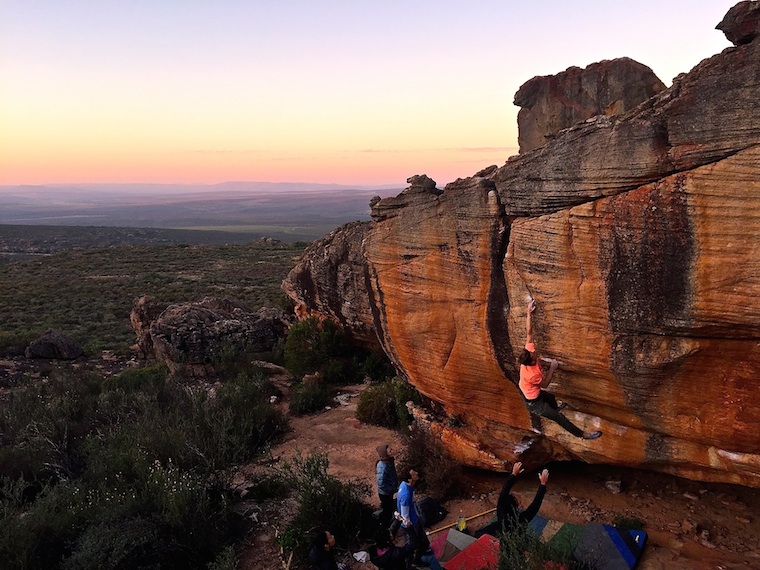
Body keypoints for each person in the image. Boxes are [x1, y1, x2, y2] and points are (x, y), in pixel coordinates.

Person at [518, 299, 602, 440]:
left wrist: (528, 313)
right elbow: (544, 384)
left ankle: (555, 407)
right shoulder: (532, 375)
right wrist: (552, 368)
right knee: (558, 417)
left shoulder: (528, 352)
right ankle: (582, 435)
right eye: (533, 355)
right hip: (534, 403)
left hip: (530, 391)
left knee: (550, 398)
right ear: (531, 361)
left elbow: (529, 333)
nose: (534, 352)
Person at [396, 468, 442, 570]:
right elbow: (405, 515)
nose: (416, 473)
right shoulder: (406, 495)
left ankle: (417, 558)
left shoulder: (405, 486)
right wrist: (412, 527)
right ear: (409, 479)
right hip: (412, 524)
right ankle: (416, 561)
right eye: (413, 474)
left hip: (414, 520)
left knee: (420, 543)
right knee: (421, 544)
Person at [376, 444, 398, 529]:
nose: (392, 451)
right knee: (387, 511)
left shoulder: (389, 462)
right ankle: (385, 528)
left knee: (389, 509)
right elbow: (381, 483)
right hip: (385, 493)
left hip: (389, 491)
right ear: (385, 455)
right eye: (390, 451)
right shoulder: (382, 467)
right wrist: (392, 489)